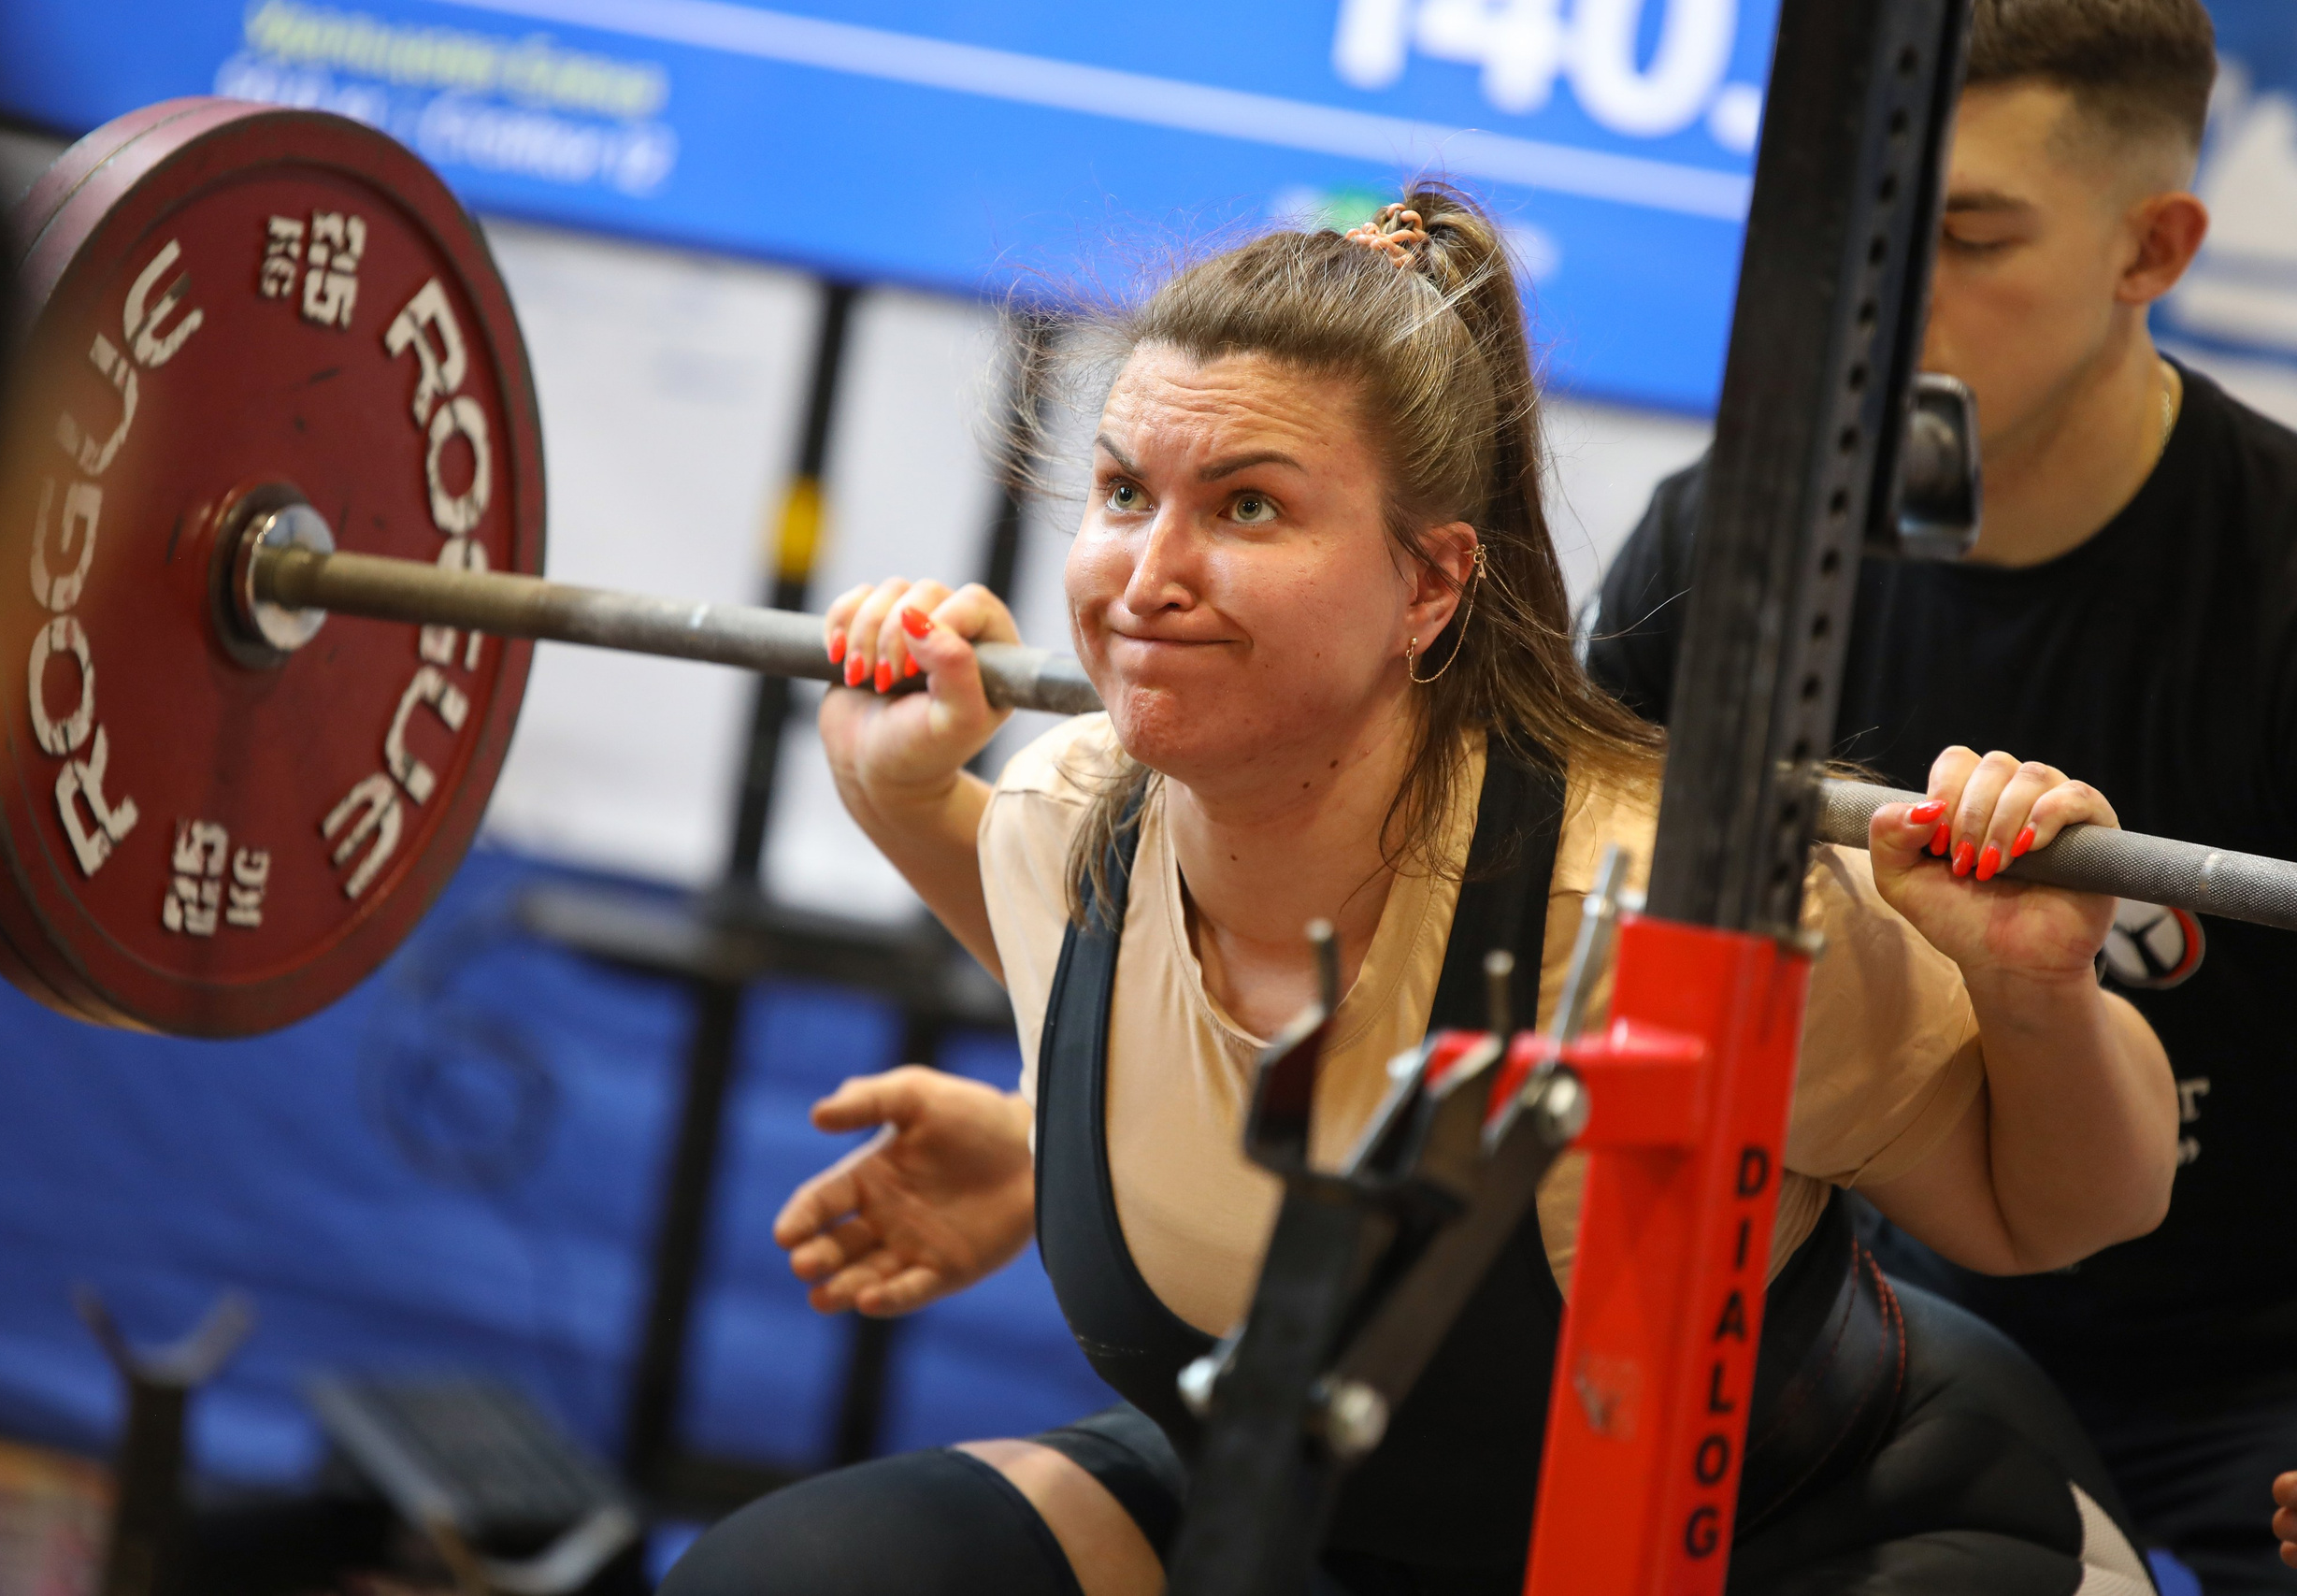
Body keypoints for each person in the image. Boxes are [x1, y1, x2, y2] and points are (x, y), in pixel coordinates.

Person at [662, 188, 2175, 1596]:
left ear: (1433, 585)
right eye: (1125, 492)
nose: (1147, 573)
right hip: (1323, 1521)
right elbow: (1091, 986)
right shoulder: (1070, 817)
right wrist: (892, 789)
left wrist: (2033, 989)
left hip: (1811, 1541)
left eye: (1248, 508)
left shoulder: (1658, 901)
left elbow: (2046, 1214)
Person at [1583, 2, 2297, 1589]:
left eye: (1971, 234)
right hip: (1851, 1321)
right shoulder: (1716, 549)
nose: (1885, 294)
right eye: (1862, 224)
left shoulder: (2279, 580)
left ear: (2151, 250)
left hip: (2254, 1378)